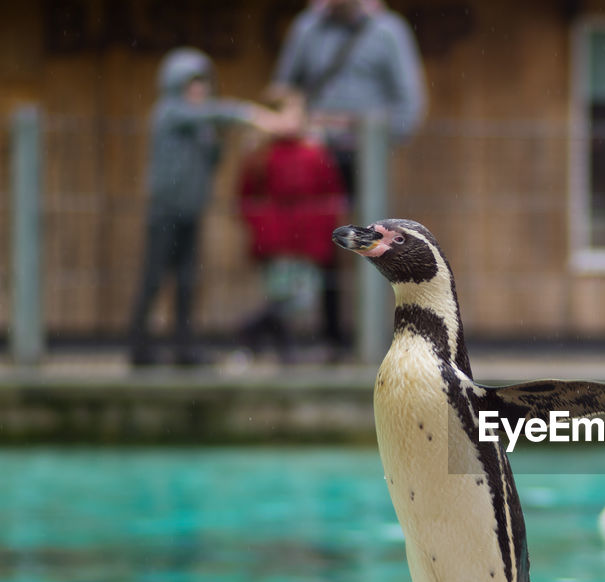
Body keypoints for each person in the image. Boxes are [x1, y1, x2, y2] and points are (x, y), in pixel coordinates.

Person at [272, 0, 426, 358]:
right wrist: (303, 124)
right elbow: (284, 89)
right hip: (315, 154)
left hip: (366, 157)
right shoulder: (307, 28)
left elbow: (409, 103)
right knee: (319, 239)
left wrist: (375, 140)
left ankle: (373, 338)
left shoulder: (388, 32)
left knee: (374, 242)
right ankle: (326, 334)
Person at [128, 48, 278, 367]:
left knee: (186, 281)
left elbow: (212, 160)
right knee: (154, 279)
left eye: (202, 84)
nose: (198, 91)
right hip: (164, 212)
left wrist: (223, 139)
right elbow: (214, 113)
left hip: (190, 212)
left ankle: (185, 348)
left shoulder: (202, 126)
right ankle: (139, 347)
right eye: (191, 84)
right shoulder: (170, 112)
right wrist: (249, 115)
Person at [236, 87, 346, 364]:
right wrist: (264, 226)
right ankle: (284, 351)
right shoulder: (261, 155)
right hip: (275, 239)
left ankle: (253, 330)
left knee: (300, 297)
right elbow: (245, 197)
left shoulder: (313, 153)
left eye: (297, 113)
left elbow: (330, 193)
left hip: (307, 240)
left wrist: (321, 229)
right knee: (280, 293)